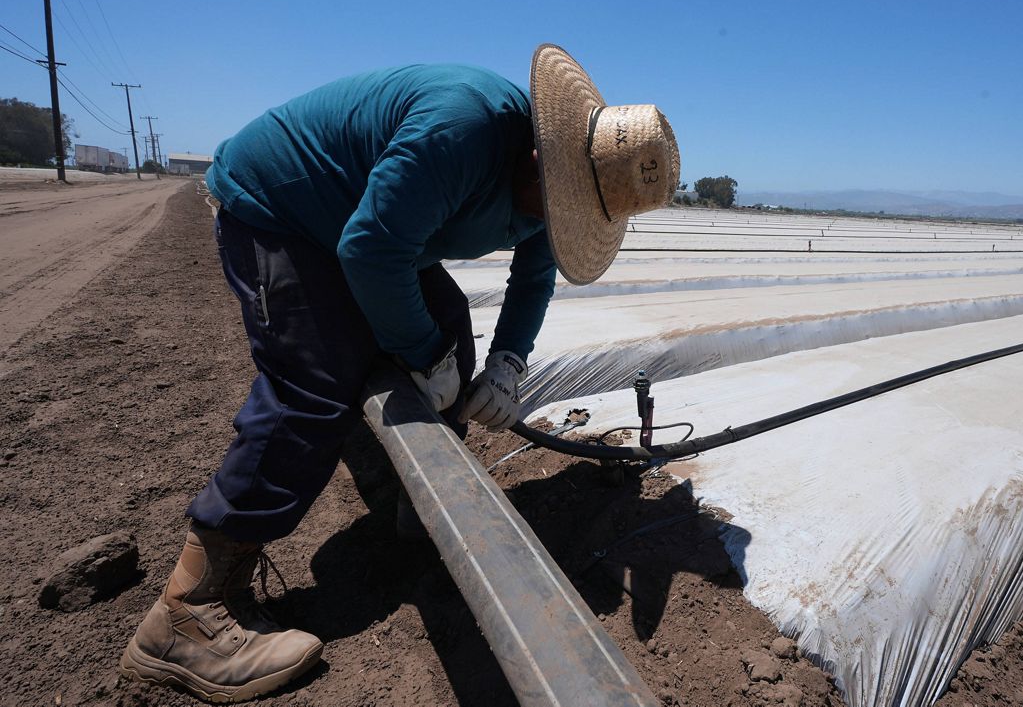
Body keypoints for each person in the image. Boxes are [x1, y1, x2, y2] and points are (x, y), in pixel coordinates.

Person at [118, 43, 679, 703]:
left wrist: (507, 362)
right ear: (540, 158)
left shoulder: (548, 182)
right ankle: (188, 611)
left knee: (445, 318)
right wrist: (421, 357)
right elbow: (371, 249)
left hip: (353, 220)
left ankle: (417, 498)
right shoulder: (460, 133)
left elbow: (534, 270)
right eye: (552, 208)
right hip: (282, 208)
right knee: (314, 381)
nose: (547, 225)